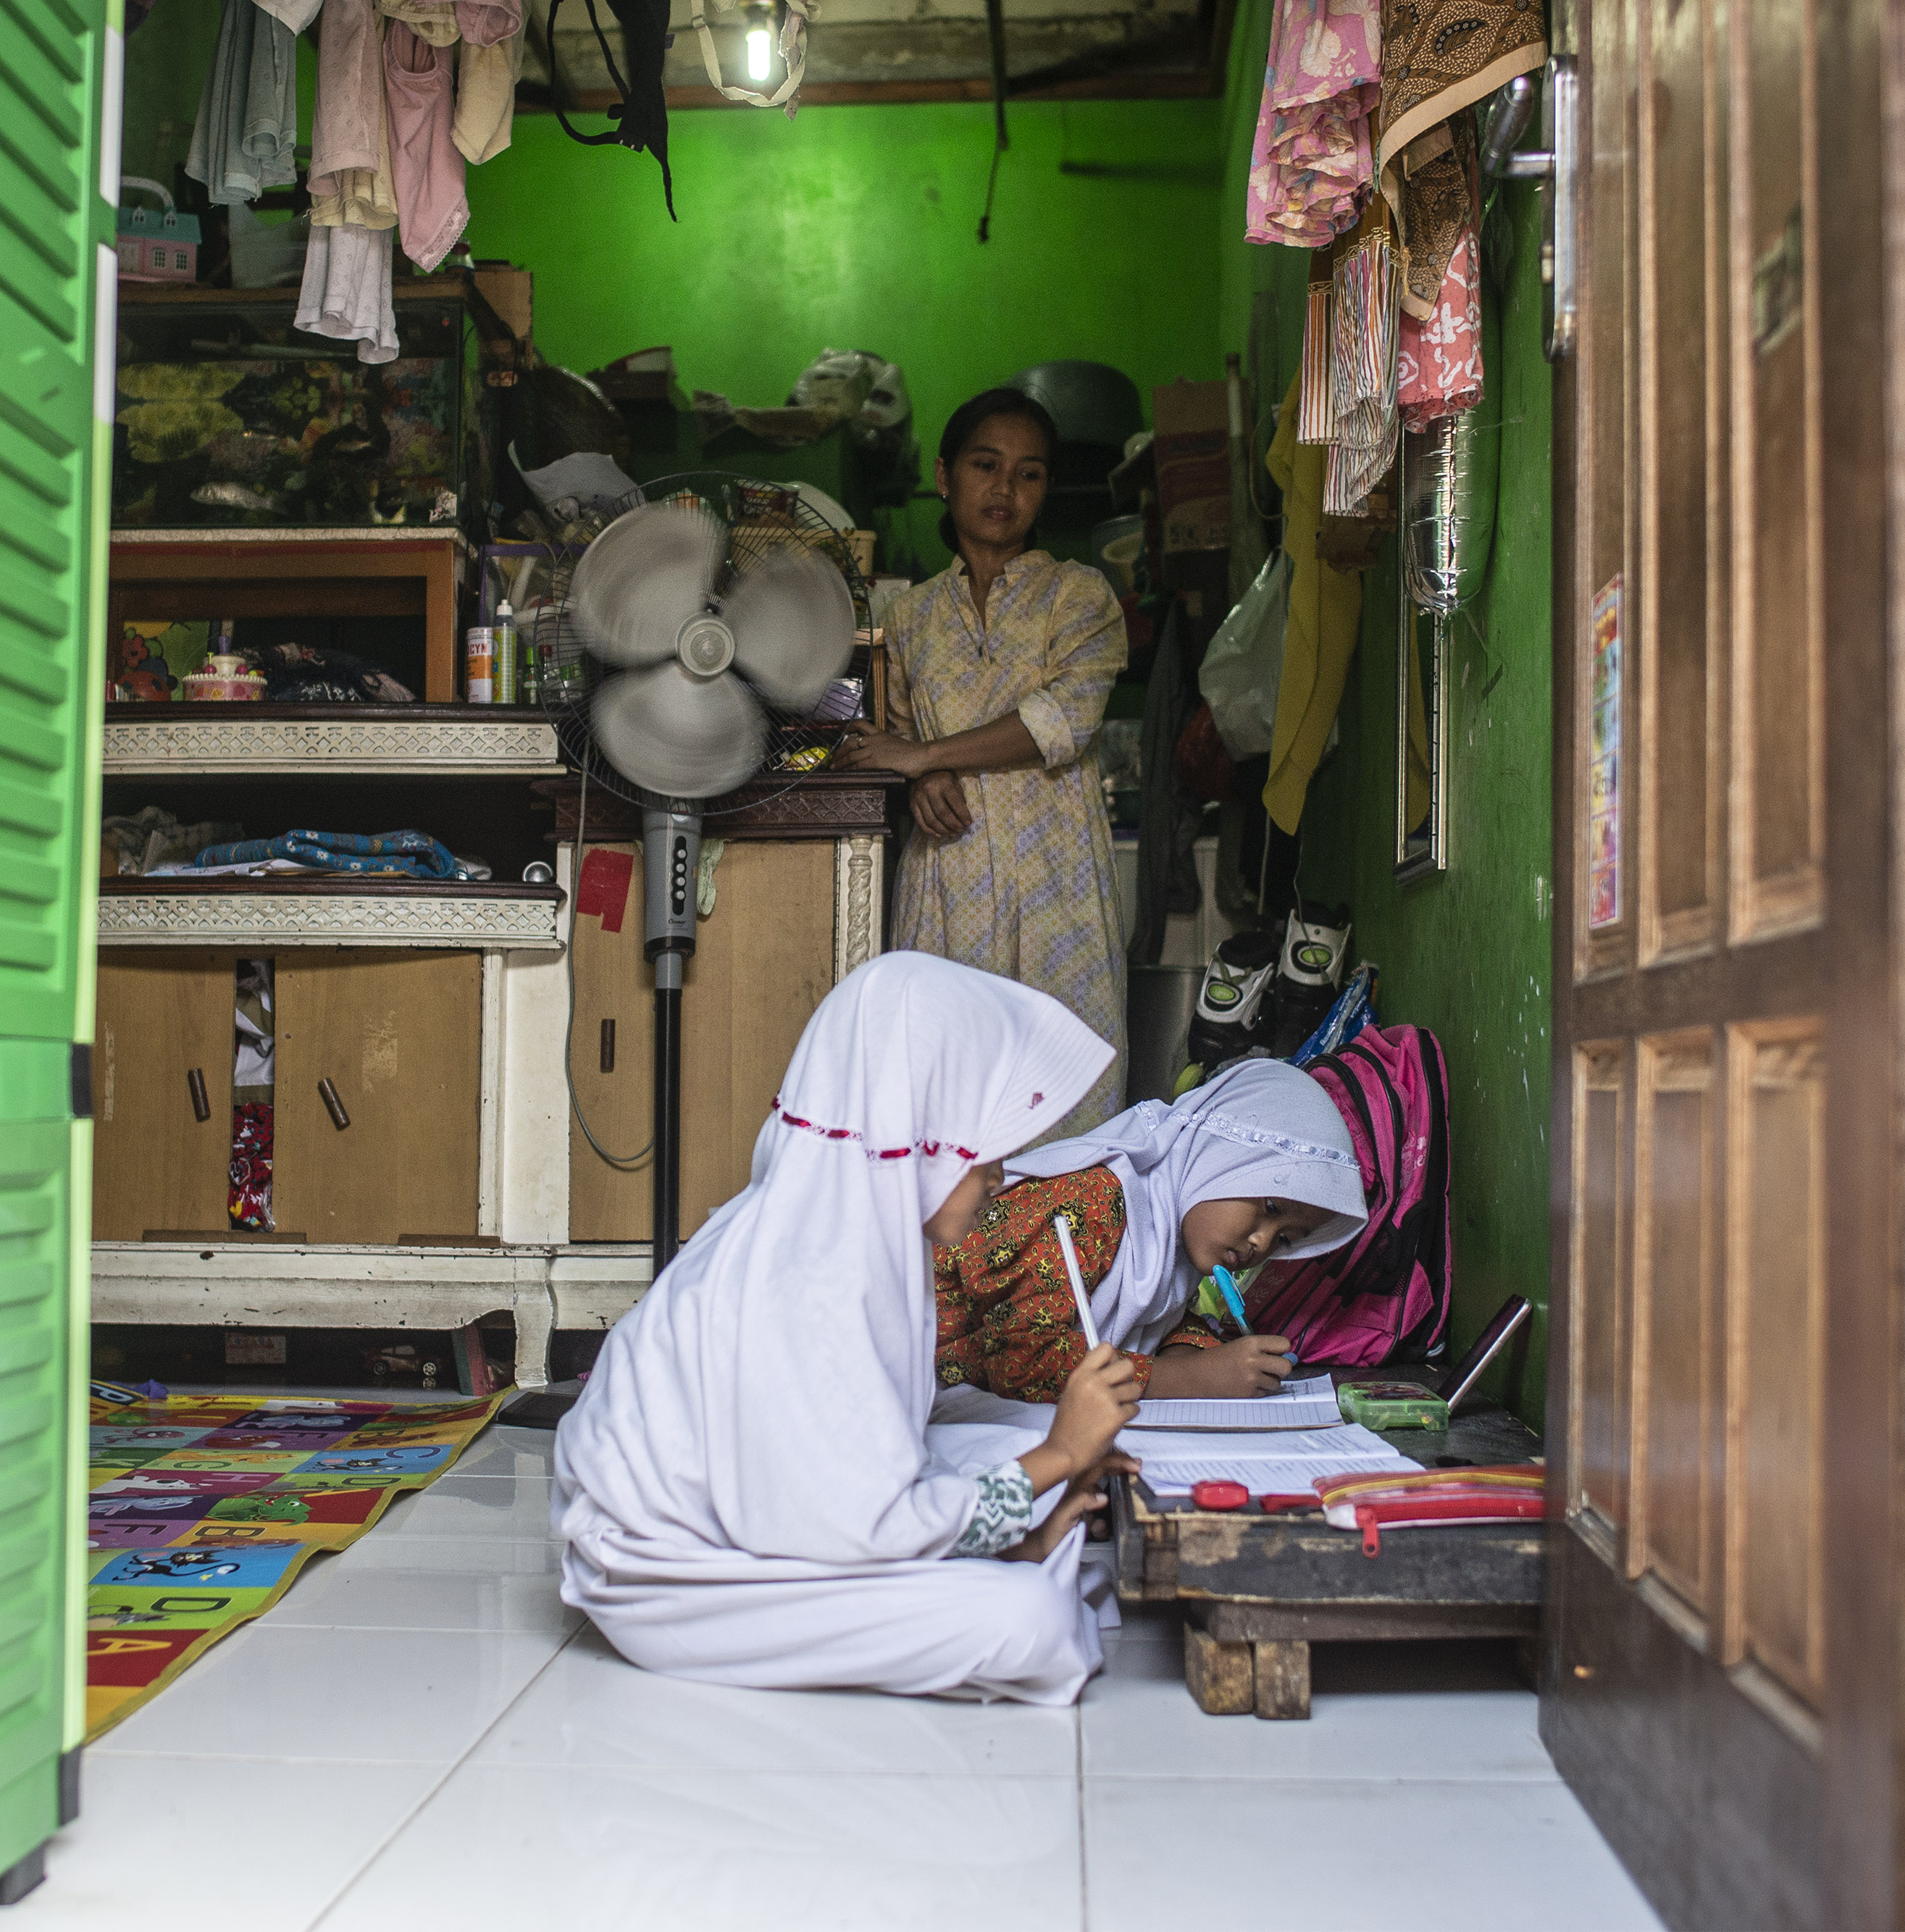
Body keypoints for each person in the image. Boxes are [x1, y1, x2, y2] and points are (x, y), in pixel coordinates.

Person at [554, 953, 1143, 1705]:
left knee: (1000, 1443)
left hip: (776, 1526)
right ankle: (1010, 1559)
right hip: (674, 1581)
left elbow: (859, 1471)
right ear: (922, 1132)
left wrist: (1035, 1483)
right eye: (982, 1146)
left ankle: (1011, 1546)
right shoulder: (812, 1276)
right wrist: (1059, 1457)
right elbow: (861, 1524)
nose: (999, 1174)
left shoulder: (850, 1230)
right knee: (1026, 1619)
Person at [831, 388, 1131, 1132]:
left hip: (1057, 889)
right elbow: (892, 735)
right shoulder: (909, 617)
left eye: (1028, 474)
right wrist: (923, 776)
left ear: (1046, 491)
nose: (1005, 488)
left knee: (1066, 1110)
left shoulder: (1080, 597)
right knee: (945, 1115)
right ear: (943, 476)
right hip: (949, 886)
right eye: (985, 465)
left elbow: (1062, 719)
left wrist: (926, 754)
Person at [935, 1060, 1368, 1405]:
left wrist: (1187, 1352)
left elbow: (1166, 1317)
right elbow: (1021, 1362)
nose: (1262, 1243)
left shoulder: (1170, 1240)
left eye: (1285, 1239)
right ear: (1217, 1157)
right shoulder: (1091, 1201)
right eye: (1270, 1206)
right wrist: (1187, 1378)